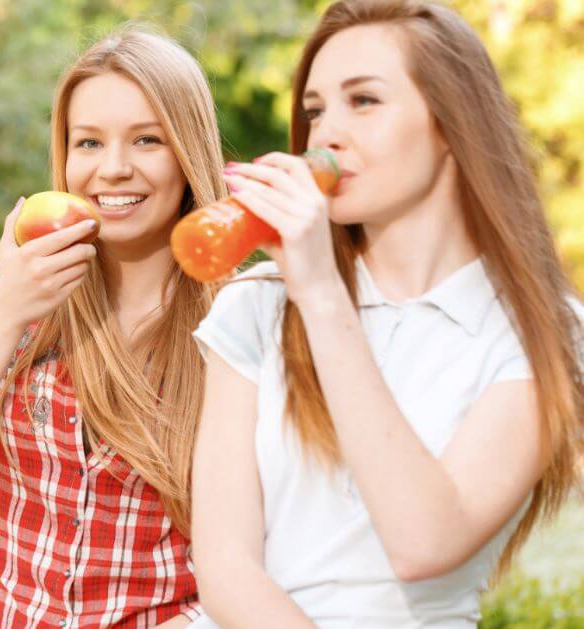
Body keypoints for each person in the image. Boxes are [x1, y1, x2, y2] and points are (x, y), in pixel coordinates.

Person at [189, 1, 584, 626]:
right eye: (315, 110)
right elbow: (225, 566)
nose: (326, 135)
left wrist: (321, 296)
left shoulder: (545, 332)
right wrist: (309, 288)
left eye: (363, 101)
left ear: (452, 124)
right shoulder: (256, 305)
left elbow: (426, 542)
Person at [0, 26, 227, 627]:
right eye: (87, 143)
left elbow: (274, 548)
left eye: (147, 139)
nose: (113, 169)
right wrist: (6, 313)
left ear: (189, 151)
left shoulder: (238, 323)